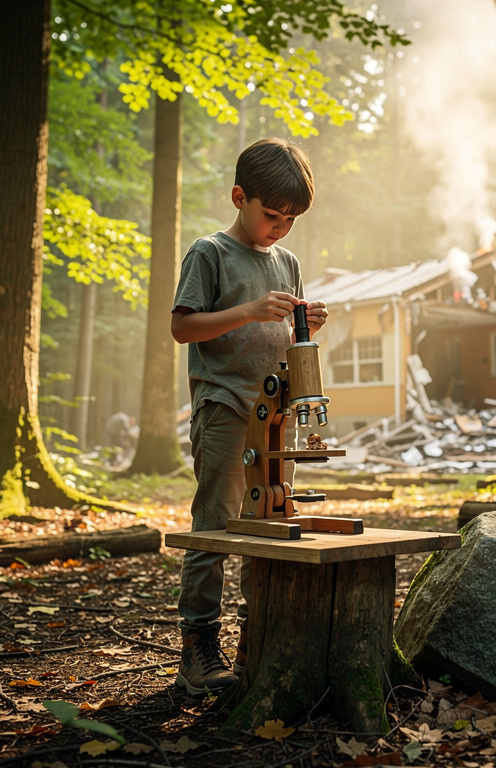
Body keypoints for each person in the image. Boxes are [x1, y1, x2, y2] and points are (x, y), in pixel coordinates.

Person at [170, 137, 328, 694]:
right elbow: (183, 327)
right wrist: (249, 310)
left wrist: (306, 325)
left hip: (275, 417)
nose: (280, 228)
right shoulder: (209, 253)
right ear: (240, 197)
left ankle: (258, 636)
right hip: (224, 406)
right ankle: (198, 643)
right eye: (272, 215)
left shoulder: (288, 262)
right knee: (216, 523)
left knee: (270, 522)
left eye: (291, 220)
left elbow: (283, 340)